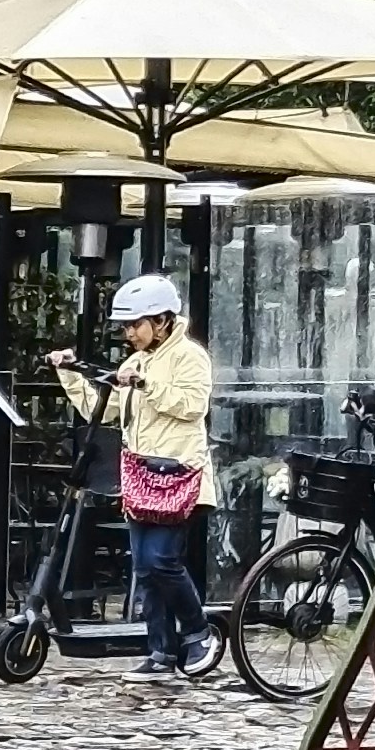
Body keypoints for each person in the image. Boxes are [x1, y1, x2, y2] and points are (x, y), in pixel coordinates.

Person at [109, 280, 223, 684]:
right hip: (140, 474)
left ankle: (199, 632)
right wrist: (69, 376)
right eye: (125, 327)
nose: (129, 334)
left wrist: (145, 384)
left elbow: (193, 407)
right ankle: (160, 652)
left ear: (161, 320)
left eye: (134, 325)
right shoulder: (135, 362)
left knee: (162, 561)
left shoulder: (191, 357)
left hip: (178, 475)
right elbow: (107, 411)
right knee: (144, 567)